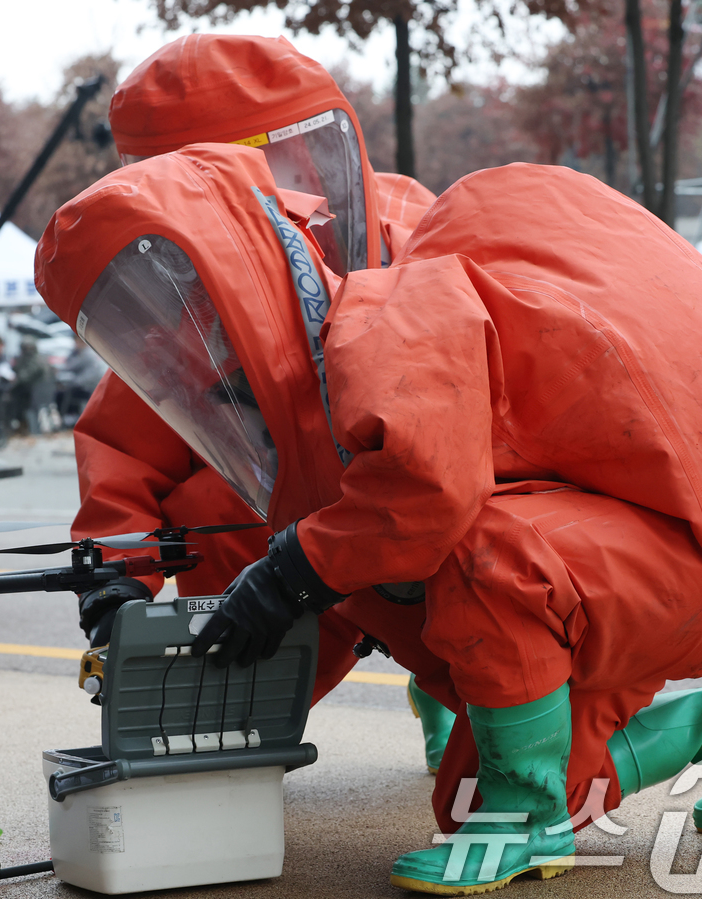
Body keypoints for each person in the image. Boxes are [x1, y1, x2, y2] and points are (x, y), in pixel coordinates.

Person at [36, 143, 702, 896]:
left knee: (472, 557)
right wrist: (115, 568)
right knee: (463, 797)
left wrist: (286, 575)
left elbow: (427, 493)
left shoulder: (391, 312)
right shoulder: (319, 353)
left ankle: (526, 820)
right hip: (624, 544)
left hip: (691, 542)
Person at [68, 34, 453, 774]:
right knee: (212, 502)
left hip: (410, 514)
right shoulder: (183, 297)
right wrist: (117, 580)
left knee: (482, 643)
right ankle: (242, 704)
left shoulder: (414, 236)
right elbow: (129, 442)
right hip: (298, 527)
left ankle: (446, 683)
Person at [57, 336, 106, 424]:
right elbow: (67, 367)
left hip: (88, 387)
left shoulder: (88, 355)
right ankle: (70, 417)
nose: (76, 344)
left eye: (78, 341)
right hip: (78, 385)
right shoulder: (75, 353)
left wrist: (74, 382)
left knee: (64, 395)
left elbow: (91, 375)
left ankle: (72, 418)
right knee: (60, 394)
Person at [8, 336, 51, 435]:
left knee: (14, 399)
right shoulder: (28, 358)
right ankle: (21, 426)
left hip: (37, 394)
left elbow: (25, 376)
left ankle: (31, 430)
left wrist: (14, 381)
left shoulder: (36, 359)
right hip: (31, 392)